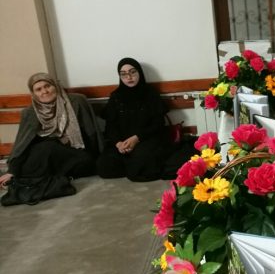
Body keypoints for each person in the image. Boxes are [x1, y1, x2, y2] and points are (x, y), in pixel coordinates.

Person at [0, 73, 102, 204]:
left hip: (74, 154)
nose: (44, 91)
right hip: (46, 157)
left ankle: (30, 181)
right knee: (44, 148)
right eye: (38, 89)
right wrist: (12, 171)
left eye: (47, 86)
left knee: (49, 148)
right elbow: (23, 144)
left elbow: (91, 132)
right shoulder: (30, 112)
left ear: (55, 86)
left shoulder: (76, 101)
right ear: (33, 94)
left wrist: (99, 156)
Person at [96, 57, 171, 182]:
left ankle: (132, 165)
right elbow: (110, 126)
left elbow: (158, 124)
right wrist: (119, 144)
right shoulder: (116, 96)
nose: (129, 77)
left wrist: (136, 138)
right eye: (123, 74)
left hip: (145, 139)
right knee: (103, 165)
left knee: (141, 163)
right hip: (123, 141)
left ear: (139, 73)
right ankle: (131, 164)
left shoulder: (150, 94)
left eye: (132, 72)